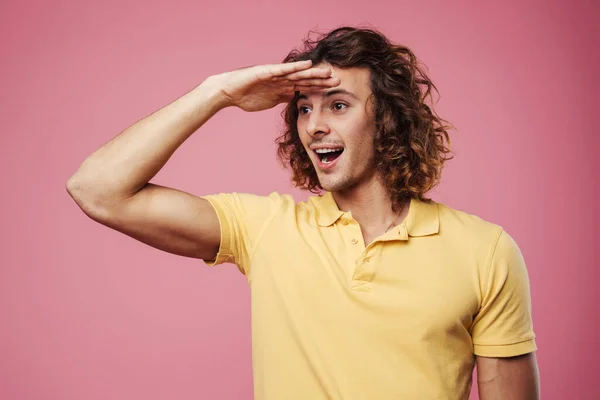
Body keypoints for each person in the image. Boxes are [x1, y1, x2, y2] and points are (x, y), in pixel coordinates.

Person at [67, 26, 540, 399]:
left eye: (338, 105)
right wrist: (217, 93)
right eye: (303, 109)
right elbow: (97, 189)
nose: (314, 126)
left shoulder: (485, 251)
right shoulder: (266, 229)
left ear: (389, 120)